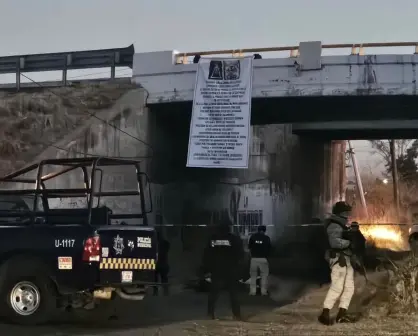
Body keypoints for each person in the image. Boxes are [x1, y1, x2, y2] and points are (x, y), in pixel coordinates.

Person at [318, 201, 356, 325]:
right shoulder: (335, 225)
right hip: (339, 259)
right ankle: (325, 313)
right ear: (341, 213)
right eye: (346, 212)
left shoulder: (341, 224)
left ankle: (342, 314)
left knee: (349, 287)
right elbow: (335, 243)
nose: (348, 214)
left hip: (346, 258)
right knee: (337, 287)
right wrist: (349, 243)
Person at [201, 223, 245, 321]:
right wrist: (238, 267)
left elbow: (207, 254)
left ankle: (210, 314)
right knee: (233, 293)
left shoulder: (213, 239)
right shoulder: (234, 239)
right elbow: (240, 254)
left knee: (213, 293)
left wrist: (207, 269)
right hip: (231, 269)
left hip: (217, 270)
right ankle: (236, 315)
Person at [248, 225, 271, 296]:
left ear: (258, 230)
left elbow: (249, 247)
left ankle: (252, 292)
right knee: (264, 276)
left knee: (253, 276)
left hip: (254, 258)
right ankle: (263, 292)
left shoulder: (253, 237)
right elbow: (269, 248)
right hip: (263, 259)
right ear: (264, 230)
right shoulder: (266, 238)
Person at [153, 231, 170, 296]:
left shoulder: (161, 243)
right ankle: (162, 291)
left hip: (160, 264)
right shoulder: (162, 243)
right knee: (160, 279)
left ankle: (163, 291)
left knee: (161, 279)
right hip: (160, 264)